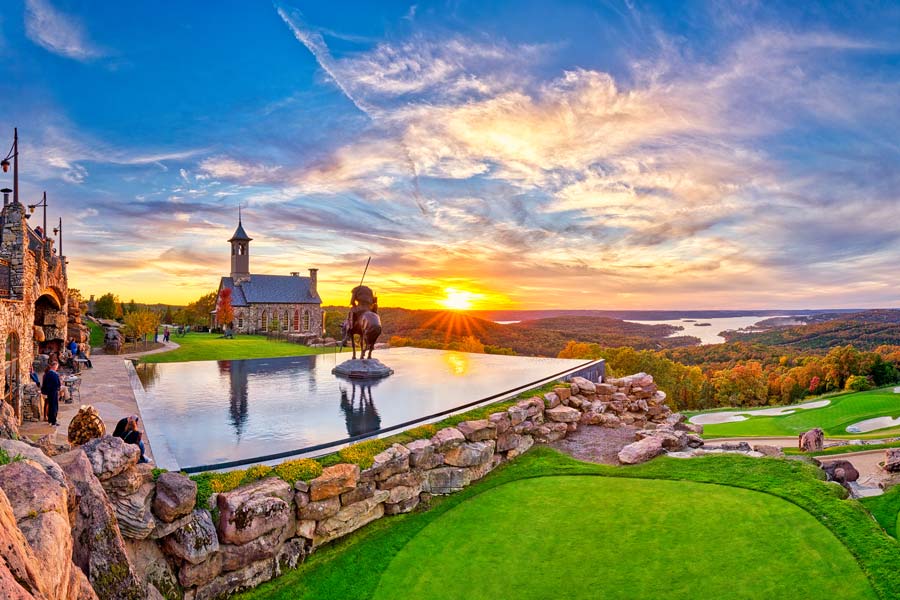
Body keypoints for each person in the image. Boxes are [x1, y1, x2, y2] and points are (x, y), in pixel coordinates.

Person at [41, 360, 61, 427]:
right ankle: (53, 422)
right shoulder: (54, 374)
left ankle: (50, 420)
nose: (57, 368)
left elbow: (44, 384)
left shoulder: (47, 374)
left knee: (50, 406)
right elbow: (57, 384)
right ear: (54, 366)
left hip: (49, 392)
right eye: (56, 366)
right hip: (53, 392)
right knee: (54, 407)